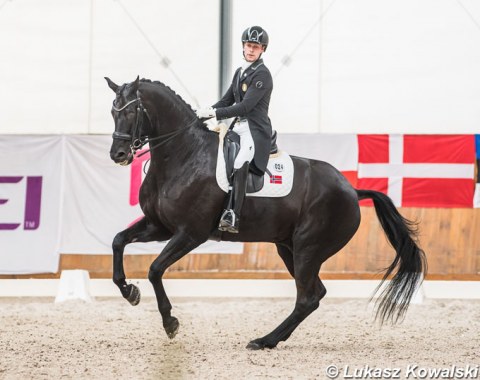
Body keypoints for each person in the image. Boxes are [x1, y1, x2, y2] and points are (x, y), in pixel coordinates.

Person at [196, 25, 273, 234]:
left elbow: (245, 107)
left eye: (255, 47)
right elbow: (227, 100)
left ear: (262, 49)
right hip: (237, 127)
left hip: (254, 131)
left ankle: (233, 214)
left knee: (240, 161)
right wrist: (205, 111)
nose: (251, 50)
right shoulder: (240, 72)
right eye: (248, 45)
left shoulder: (263, 75)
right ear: (243, 46)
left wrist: (215, 114)